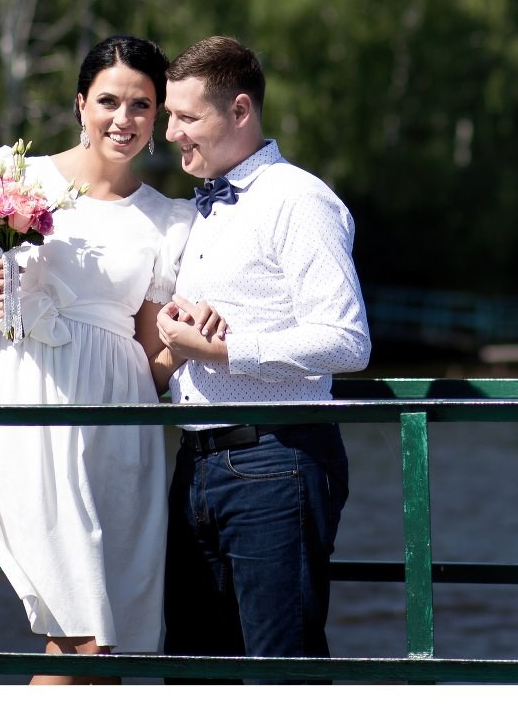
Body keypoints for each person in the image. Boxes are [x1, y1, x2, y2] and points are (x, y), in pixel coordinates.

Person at [0, 34, 196, 684]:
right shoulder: (17, 177)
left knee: (112, 645)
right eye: (108, 100)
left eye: (141, 104)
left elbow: (151, 355)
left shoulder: (168, 219)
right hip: (32, 406)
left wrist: (198, 344)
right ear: (80, 104)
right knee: (86, 635)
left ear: (158, 115)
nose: (123, 118)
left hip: (121, 427)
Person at [155, 35, 371, 680]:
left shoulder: (297, 199)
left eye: (186, 117)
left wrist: (223, 349)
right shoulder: (208, 206)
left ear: (240, 110)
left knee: (284, 676)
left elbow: (347, 340)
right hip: (196, 463)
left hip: (277, 459)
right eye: (170, 115)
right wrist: (182, 326)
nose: (170, 133)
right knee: (194, 676)